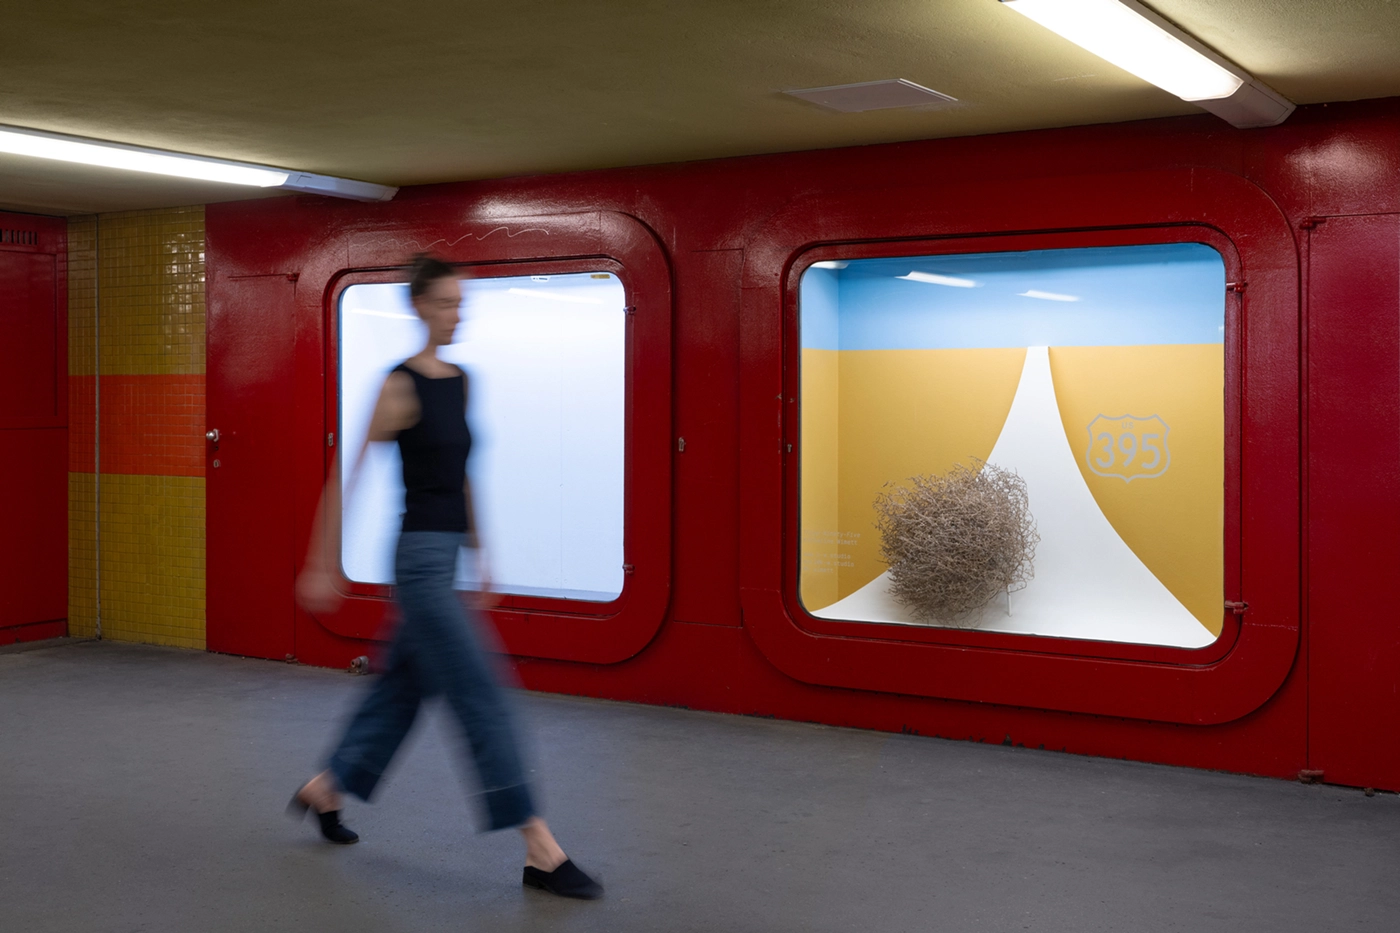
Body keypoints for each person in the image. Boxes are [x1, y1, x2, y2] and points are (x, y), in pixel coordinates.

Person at [289, 254, 602, 900]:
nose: (458, 313)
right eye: (446, 303)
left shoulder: (460, 380)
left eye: (462, 303)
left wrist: (480, 547)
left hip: (448, 558)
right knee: (480, 689)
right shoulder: (397, 386)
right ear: (419, 306)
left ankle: (326, 786)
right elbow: (350, 474)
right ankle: (539, 846)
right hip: (419, 567)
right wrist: (322, 560)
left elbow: (461, 470)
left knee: (401, 691)